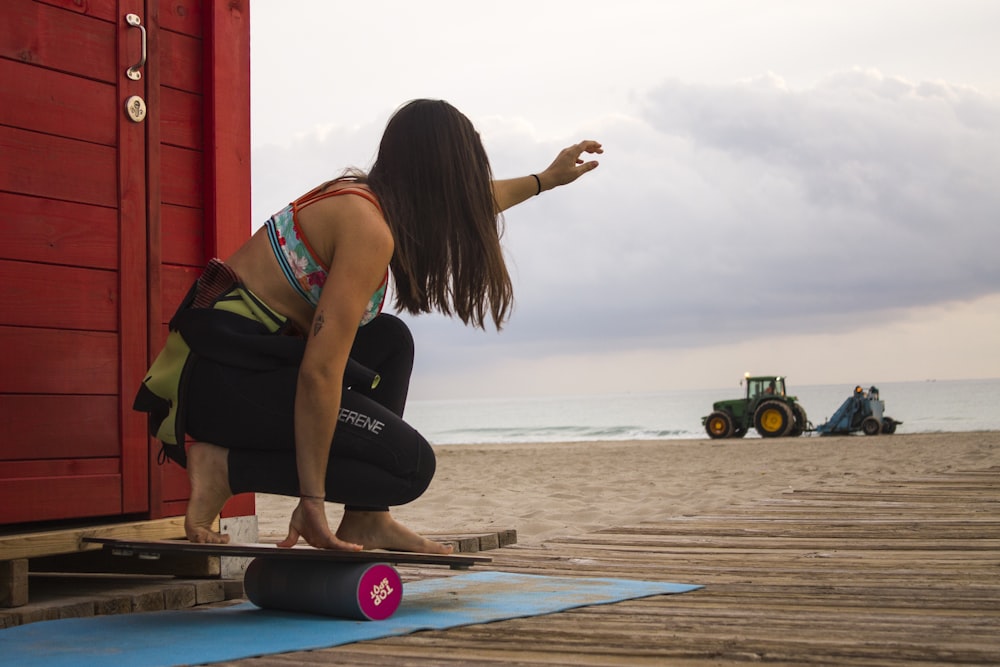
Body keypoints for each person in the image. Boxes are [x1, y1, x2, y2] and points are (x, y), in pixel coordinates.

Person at [134, 99, 602, 553]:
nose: (471, 187)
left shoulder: (363, 198)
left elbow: (469, 203)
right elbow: (320, 372)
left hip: (232, 373)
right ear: (440, 175)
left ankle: (367, 517)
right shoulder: (367, 228)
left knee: (388, 340)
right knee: (408, 467)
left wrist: (547, 180)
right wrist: (312, 502)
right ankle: (225, 468)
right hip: (215, 385)